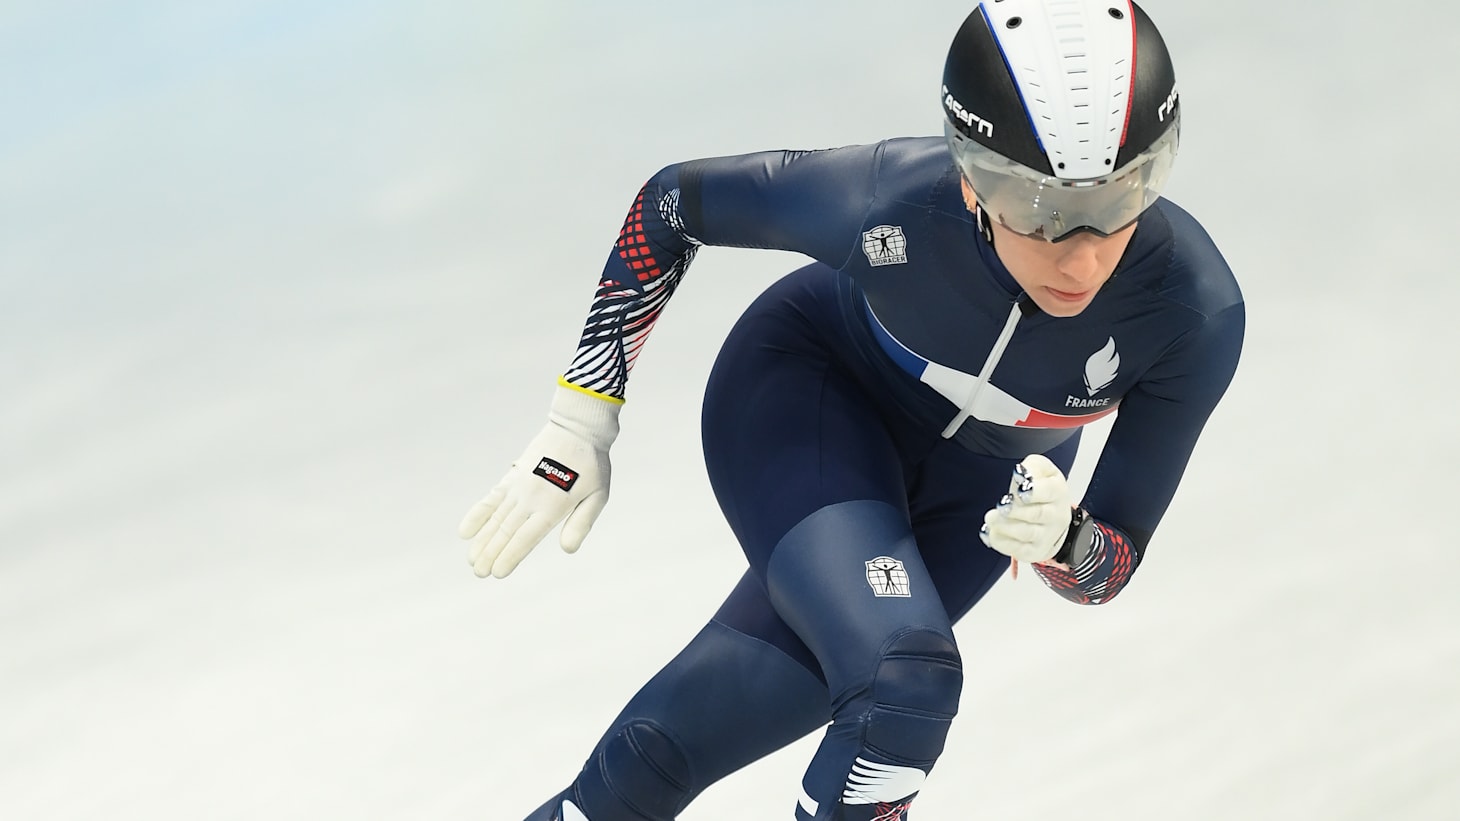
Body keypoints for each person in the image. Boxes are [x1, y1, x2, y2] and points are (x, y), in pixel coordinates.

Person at [459, 1, 1244, 818]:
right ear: (971, 175)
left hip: (979, 492)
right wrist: (580, 416)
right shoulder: (889, 199)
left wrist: (1064, 539)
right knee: (905, 683)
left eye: (1120, 199)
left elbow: (1106, 568)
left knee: (659, 754)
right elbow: (669, 206)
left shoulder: (1195, 312)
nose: (1082, 259)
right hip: (810, 395)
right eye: (1041, 208)